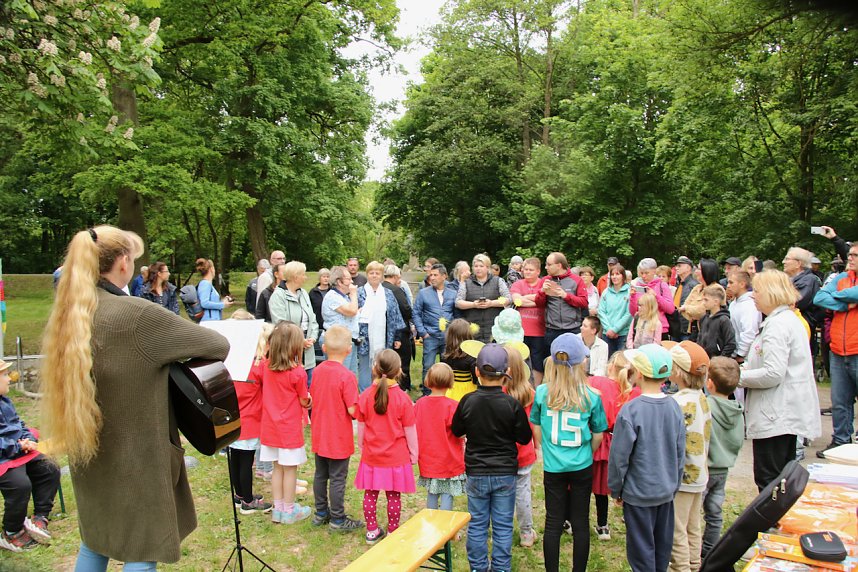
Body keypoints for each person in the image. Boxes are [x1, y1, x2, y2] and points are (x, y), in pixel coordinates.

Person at [41, 225, 230, 568]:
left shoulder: (69, 314)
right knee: (144, 552)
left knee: (95, 543)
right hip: (139, 460)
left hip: (90, 454)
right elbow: (218, 345)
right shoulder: (137, 316)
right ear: (124, 262)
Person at [452, 343, 532, 572]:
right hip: (505, 473)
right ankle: (500, 568)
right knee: (503, 525)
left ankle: (478, 567)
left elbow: (457, 430)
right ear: (506, 372)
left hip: (476, 471)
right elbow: (524, 438)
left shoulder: (468, 401)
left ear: (476, 371)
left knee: (477, 523)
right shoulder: (511, 404)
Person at [738, 270, 821, 491]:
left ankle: (771, 523)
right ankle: (776, 521)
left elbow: (773, 373)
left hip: (776, 414)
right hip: (781, 412)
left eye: (756, 291)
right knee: (779, 477)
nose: (752, 296)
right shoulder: (783, 320)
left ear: (770, 293)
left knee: (770, 479)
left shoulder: (778, 325)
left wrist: (736, 377)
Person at [531, 334, 607, 572]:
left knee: (553, 522)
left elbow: (536, 424)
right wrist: (587, 452)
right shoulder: (591, 395)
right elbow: (598, 434)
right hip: (581, 464)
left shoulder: (543, 393)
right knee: (581, 522)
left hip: (553, 466)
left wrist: (545, 448)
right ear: (580, 362)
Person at [609, 344, 685, 572]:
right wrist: (674, 483)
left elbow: (619, 457)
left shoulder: (631, 410)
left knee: (642, 553)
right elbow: (681, 452)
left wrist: (616, 489)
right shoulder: (674, 407)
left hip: (639, 494)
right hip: (665, 491)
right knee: (662, 550)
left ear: (639, 374)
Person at [355, 350, 418, 545]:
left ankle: (372, 530)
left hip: (372, 455)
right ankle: (393, 530)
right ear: (399, 371)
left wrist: (361, 446)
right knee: (393, 496)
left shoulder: (365, 396)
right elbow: (410, 430)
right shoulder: (403, 399)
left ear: (374, 368)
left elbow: (361, 427)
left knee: (370, 494)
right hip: (396, 457)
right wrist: (414, 453)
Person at [0, 359, 61, 552]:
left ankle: (39, 517)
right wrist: (17, 446)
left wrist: (26, 439)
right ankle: (11, 532)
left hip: (15, 451)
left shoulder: (5, 401)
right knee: (19, 484)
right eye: (3, 375)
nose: (9, 379)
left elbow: (18, 423)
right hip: (3, 457)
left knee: (48, 467)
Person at [308, 325, 363, 531]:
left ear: (323, 347)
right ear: (349, 350)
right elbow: (352, 411)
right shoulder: (347, 376)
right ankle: (338, 519)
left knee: (321, 474)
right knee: (338, 478)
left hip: (320, 432)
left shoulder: (318, 370)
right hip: (338, 436)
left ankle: (321, 512)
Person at [663, 340, 711, 572]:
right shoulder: (701, 397)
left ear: (677, 372)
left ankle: (681, 568)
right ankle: (694, 565)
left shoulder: (677, 402)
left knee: (676, 529)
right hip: (699, 474)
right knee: (693, 526)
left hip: (683, 477)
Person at [259, 322, 312, 524]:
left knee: (276, 468)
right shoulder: (297, 372)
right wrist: (309, 400)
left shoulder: (266, 366)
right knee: (290, 469)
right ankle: (289, 510)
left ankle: (278, 508)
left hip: (270, 427)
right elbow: (303, 399)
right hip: (288, 429)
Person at [813, 240, 858, 457]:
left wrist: (843, 296)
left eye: (855, 255)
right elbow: (819, 297)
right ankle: (840, 441)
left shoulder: (841, 283)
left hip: (856, 349)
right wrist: (844, 303)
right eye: (849, 254)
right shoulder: (841, 278)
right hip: (839, 349)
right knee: (840, 401)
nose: (849, 258)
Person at [589, 352, 636, 542]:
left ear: (610, 366)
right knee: (602, 489)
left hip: (595, 438)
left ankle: (571, 521)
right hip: (614, 442)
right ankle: (603, 526)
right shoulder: (630, 391)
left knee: (582, 485)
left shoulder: (597, 382)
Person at [701, 357, 744, 560]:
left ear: (709, 383)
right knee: (715, 512)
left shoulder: (706, 405)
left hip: (705, 469)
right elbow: (738, 440)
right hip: (723, 469)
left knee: (693, 512)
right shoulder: (737, 411)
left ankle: (691, 548)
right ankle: (710, 548)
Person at [230, 322, 274, 515]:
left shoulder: (234, 363)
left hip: (233, 418)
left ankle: (239, 495)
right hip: (250, 419)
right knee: (246, 461)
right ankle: (248, 500)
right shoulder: (260, 365)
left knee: (235, 458)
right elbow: (269, 390)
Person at [414, 363, 466, 511]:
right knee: (447, 494)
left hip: (428, 459)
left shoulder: (419, 404)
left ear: (428, 380)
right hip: (449, 460)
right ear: (450, 382)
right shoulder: (453, 406)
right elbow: (460, 432)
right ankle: (445, 527)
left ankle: (431, 525)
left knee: (432, 493)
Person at [503, 346, 538, 548]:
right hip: (524, 453)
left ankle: (504, 530)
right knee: (522, 493)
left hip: (502, 454)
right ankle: (526, 532)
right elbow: (534, 426)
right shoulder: (529, 393)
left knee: (503, 495)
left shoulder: (499, 392)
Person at [357, 261, 406, 392]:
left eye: (377, 273)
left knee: (383, 366)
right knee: (364, 367)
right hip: (364, 338)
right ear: (367, 275)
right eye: (371, 273)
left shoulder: (388, 294)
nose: (374, 275)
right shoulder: (359, 293)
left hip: (384, 337)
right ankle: (365, 394)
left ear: (382, 276)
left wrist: (397, 337)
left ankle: (381, 392)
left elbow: (395, 316)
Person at [269, 261, 319, 377]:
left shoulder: (304, 294)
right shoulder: (278, 295)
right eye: (303, 274)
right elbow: (281, 324)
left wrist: (312, 338)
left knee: (309, 386)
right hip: (289, 352)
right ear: (295, 276)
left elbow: (313, 320)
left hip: (308, 351)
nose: (305, 277)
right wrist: (299, 341)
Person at [414, 263, 457, 385]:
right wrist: (423, 332)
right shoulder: (423, 293)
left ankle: (446, 391)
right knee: (427, 366)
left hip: (447, 337)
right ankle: (427, 392)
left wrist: (453, 334)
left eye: (435, 275)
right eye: (431, 275)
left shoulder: (453, 294)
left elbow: (457, 315)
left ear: (444, 276)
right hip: (430, 336)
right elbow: (416, 313)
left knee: (447, 367)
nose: (432, 278)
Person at [536, 252, 589, 348]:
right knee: (551, 361)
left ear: (559, 265)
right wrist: (542, 291)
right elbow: (539, 304)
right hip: (552, 330)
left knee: (573, 360)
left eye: (549, 264)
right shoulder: (545, 280)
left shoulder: (577, 280)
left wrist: (566, 296)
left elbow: (584, 303)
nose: (546, 267)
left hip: (572, 329)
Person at [457, 254, 510, 344]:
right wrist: (473, 304)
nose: (478, 268)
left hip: (494, 328)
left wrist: (491, 303)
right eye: (476, 266)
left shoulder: (498, 281)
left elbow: (508, 299)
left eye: (481, 266)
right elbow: (458, 302)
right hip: (472, 328)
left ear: (487, 268)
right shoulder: (466, 283)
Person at [511, 257, 547, 384]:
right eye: (525, 269)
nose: (527, 272)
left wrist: (524, 299)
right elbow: (516, 300)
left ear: (538, 271)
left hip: (539, 331)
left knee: (537, 363)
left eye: (531, 270)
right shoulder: (517, 284)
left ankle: (536, 389)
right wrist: (537, 300)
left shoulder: (544, 283)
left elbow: (545, 301)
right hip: (520, 332)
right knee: (520, 362)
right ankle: (522, 388)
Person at [322, 266, 360, 376]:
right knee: (340, 377)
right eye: (348, 279)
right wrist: (353, 294)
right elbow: (352, 311)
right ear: (339, 282)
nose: (352, 281)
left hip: (348, 341)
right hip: (337, 343)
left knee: (351, 376)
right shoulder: (333, 297)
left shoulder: (343, 297)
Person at [382, 265, 415, 391]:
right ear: (396, 276)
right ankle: (402, 386)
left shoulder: (379, 289)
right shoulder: (396, 290)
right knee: (402, 360)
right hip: (399, 330)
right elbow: (406, 310)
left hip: (383, 329)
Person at [727, 270, 762, 367]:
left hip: (745, 357)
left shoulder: (749, 305)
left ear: (742, 284)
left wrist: (740, 354)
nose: (728, 286)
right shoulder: (734, 303)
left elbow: (749, 332)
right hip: (734, 354)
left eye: (731, 282)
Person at [679, 258, 719, 340]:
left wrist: (687, 308)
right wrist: (692, 312)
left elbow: (701, 312)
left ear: (707, 271)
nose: (696, 271)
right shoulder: (697, 287)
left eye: (699, 269)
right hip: (694, 331)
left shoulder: (716, 289)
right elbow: (682, 309)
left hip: (709, 333)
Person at [598, 263, 632, 357]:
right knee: (608, 361)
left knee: (620, 361)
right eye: (612, 275)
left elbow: (629, 314)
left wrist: (615, 329)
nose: (614, 277)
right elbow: (601, 311)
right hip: (607, 333)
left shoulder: (629, 292)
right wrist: (609, 329)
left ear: (623, 276)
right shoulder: (606, 292)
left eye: (617, 274)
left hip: (622, 334)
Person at [443, 318, 479, 401]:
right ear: (468, 335)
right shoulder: (471, 358)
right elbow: (475, 378)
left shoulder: (445, 356)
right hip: (468, 390)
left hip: (449, 389)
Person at [697, 284, 737, 358]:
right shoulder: (704, 319)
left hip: (717, 361)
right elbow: (700, 339)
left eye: (706, 300)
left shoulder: (724, 320)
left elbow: (730, 343)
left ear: (716, 302)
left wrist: (720, 359)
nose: (703, 302)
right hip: (705, 359)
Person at [673, 256, 699, 340]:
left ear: (688, 267)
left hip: (687, 329)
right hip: (676, 328)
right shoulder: (678, 284)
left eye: (680, 265)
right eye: (676, 266)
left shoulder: (694, 285)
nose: (676, 268)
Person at [309, 267, 331, 362]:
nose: (326, 279)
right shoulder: (313, 292)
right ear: (319, 278)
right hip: (317, 324)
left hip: (329, 326)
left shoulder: (333, 291)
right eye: (323, 276)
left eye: (327, 276)